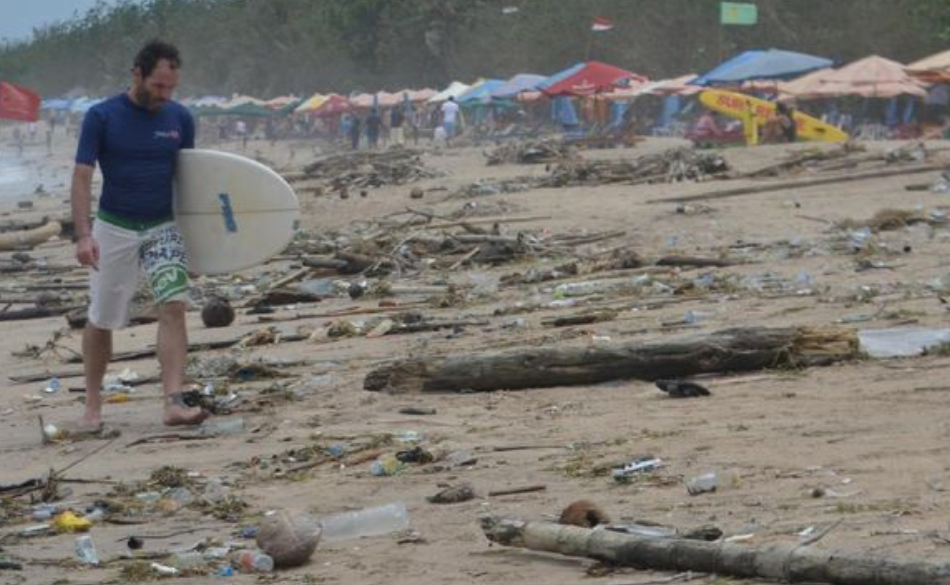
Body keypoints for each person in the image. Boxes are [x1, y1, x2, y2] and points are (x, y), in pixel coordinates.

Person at [71, 40, 204, 429]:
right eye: (159, 86)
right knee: (103, 317)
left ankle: (173, 402)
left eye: (171, 88)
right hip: (113, 227)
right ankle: (92, 407)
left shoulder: (180, 118)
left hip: (163, 227)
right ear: (137, 74)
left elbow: (190, 181)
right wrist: (83, 235)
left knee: (173, 305)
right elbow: (82, 176)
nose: (165, 95)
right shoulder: (102, 116)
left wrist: (198, 246)